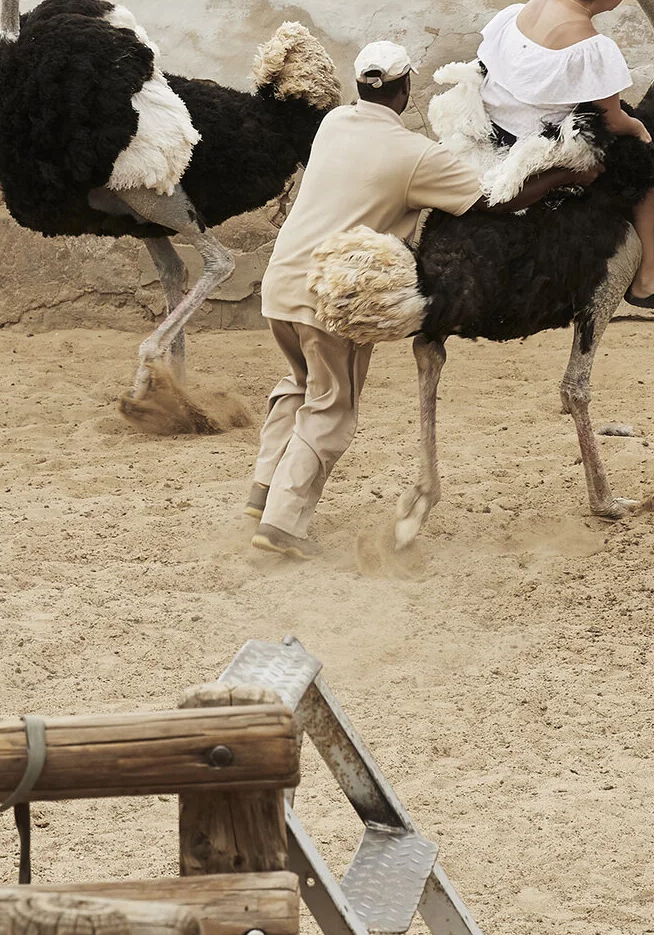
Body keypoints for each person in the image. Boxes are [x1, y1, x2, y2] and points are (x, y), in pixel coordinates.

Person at [247, 39, 592, 558]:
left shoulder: (334, 124)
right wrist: (567, 171)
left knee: (298, 386)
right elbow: (497, 199)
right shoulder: (417, 156)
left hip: (280, 284)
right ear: (406, 88)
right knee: (331, 409)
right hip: (331, 294)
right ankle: (279, 529)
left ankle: (261, 495)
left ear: (360, 83)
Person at [475, 0, 654, 314]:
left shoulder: (523, 9)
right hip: (534, 143)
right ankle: (646, 279)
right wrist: (639, 131)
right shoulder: (593, 47)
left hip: (494, 124)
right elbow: (612, 118)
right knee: (653, 164)